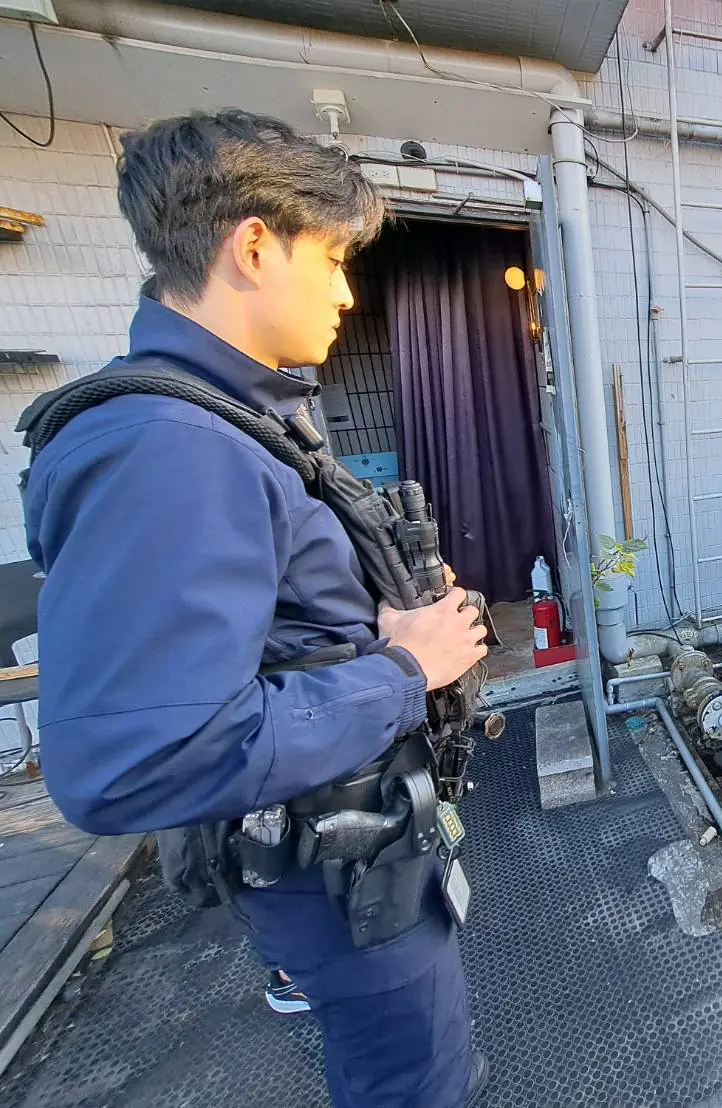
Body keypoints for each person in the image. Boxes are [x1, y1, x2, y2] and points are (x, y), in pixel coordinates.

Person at [21, 111, 489, 1107]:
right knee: (416, 1083)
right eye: (334, 260)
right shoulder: (170, 447)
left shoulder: (229, 422)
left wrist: (381, 623)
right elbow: (141, 754)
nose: (347, 291)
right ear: (254, 247)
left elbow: (266, 632)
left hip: (356, 853)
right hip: (340, 877)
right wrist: (406, 670)